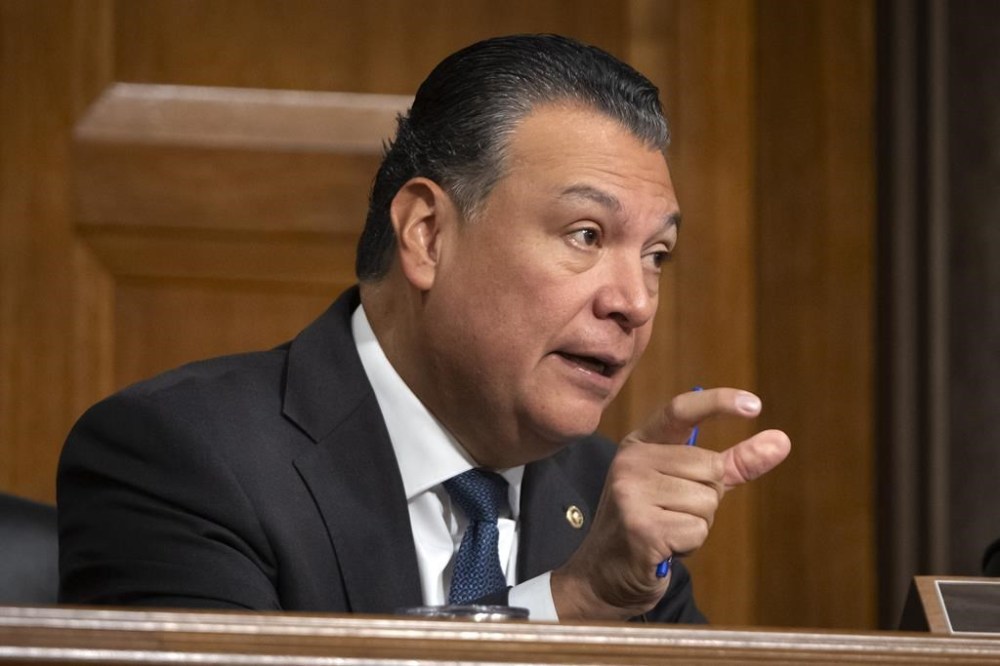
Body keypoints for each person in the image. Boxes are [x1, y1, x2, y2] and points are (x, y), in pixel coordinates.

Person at [57, 34, 790, 622]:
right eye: (587, 235)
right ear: (428, 235)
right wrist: (565, 604)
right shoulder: (183, 459)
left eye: (657, 253)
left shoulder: (608, 502)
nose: (634, 300)